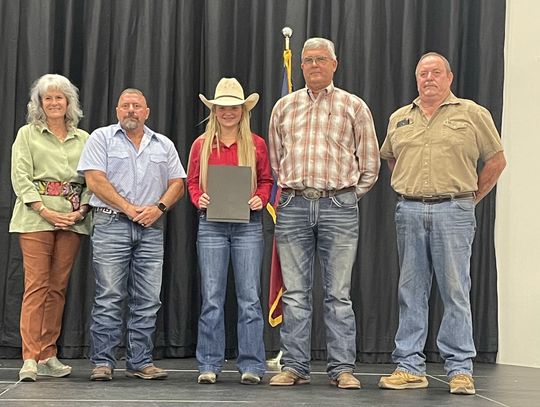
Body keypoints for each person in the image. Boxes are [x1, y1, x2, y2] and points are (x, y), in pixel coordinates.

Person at [378, 52, 506, 395]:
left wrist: (468, 199)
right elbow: (392, 159)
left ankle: (460, 369)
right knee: (410, 291)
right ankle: (409, 366)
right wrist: (414, 189)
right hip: (409, 211)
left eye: (436, 72)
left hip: (454, 210)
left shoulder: (472, 114)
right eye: (423, 73)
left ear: (449, 77)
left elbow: (496, 160)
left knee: (455, 290)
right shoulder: (400, 118)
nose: (429, 78)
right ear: (416, 79)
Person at [268, 37, 380, 389]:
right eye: (308, 60)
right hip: (293, 205)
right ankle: (295, 367)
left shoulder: (354, 106)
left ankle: (342, 368)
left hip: (339, 206)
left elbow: (371, 163)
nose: (314, 65)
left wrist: (346, 196)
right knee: (296, 293)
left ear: (335, 64)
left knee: (338, 294)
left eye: (321, 59)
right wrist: (294, 190)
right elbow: (275, 161)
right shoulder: (283, 107)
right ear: (300, 66)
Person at [77, 88, 186, 381]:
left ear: (146, 112)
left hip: (151, 228)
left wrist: (158, 208)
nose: (131, 110)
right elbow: (95, 180)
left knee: (148, 299)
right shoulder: (100, 138)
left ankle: (140, 361)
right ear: (117, 111)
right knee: (109, 295)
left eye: (137, 106)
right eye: (125, 105)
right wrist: (127, 208)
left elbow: (178, 182)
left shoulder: (163, 144)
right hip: (111, 223)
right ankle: (103, 361)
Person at [187, 78, 273, 385]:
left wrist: (259, 199)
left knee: (249, 297)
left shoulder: (256, 144)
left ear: (242, 110)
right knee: (212, 297)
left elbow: (266, 182)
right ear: (215, 110)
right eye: (222, 107)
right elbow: (193, 182)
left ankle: (251, 364)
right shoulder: (201, 145)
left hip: (247, 225)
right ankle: (208, 364)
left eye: (233, 107)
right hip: (211, 224)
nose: (228, 112)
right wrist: (200, 199)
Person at [10, 74, 92, 381]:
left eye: (60, 97)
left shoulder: (84, 139)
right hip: (35, 218)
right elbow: (20, 177)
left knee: (57, 288)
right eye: (48, 98)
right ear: (40, 104)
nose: (54, 102)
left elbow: (91, 180)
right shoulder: (27, 134)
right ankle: (29, 357)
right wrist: (45, 210)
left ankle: (48, 353)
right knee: (37, 286)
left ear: (69, 102)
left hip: (72, 220)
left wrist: (82, 208)